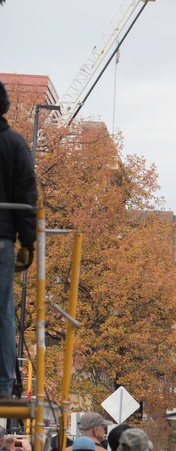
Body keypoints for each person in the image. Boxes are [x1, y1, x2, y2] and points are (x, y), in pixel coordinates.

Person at [0, 81, 36, 401]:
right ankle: (2, 383)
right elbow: (26, 194)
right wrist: (28, 242)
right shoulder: (14, 144)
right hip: (1, 239)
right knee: (2, 311)